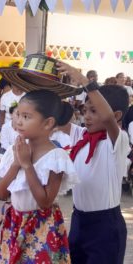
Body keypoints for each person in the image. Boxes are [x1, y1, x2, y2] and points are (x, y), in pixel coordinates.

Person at [57, 63, 130, 264]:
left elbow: (106, 118)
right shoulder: (81, 134)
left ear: (116, 116)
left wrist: (84, 82)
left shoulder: (117, 141)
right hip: (79, 220)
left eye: (93, 111)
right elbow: (53, 120)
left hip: (106, 227)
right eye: (85, 110)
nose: (86, 116)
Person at [0, 90, 78, 263]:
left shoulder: (56, 157)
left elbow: (45, 202)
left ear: (48, 123)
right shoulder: (14, 150)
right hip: (14, 221)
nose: (18, 121)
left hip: (41, 225)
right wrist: (16, 164)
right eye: (18, 114)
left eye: (26, 116)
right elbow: (1, 193)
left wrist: (27, 165)